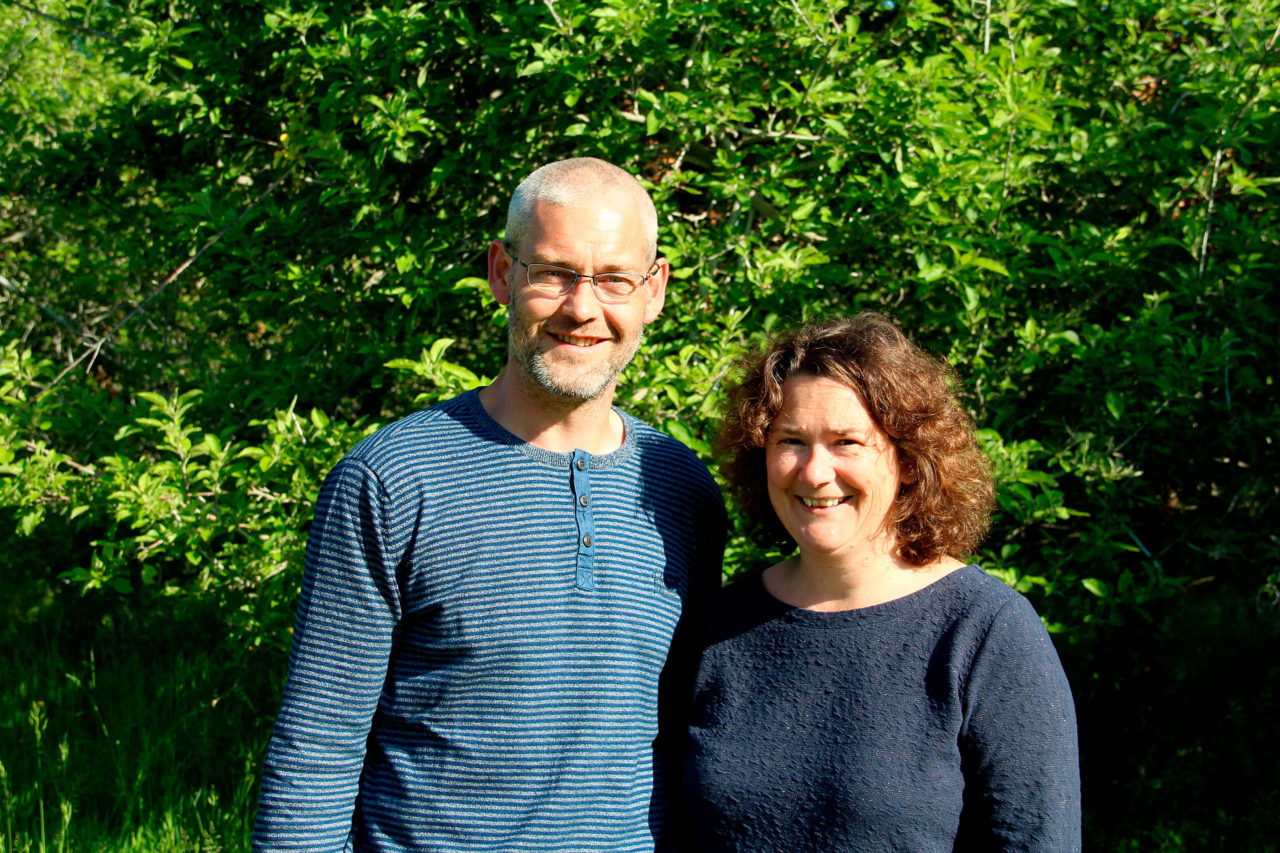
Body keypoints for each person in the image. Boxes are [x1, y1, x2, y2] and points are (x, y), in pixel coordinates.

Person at [253, 157, 726, 852]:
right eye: (555, 273)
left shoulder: (681, 489)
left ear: (654, 290)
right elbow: (316, 748)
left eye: (614, 280)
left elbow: (686, 739)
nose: (582, 308)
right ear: (503, 272)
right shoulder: (391, 481)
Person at [683, 313, 1080, 851]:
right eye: (792, 441)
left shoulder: (984, 631)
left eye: (847, 442)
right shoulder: (721, 625)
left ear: (909, 460)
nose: (816, 472)